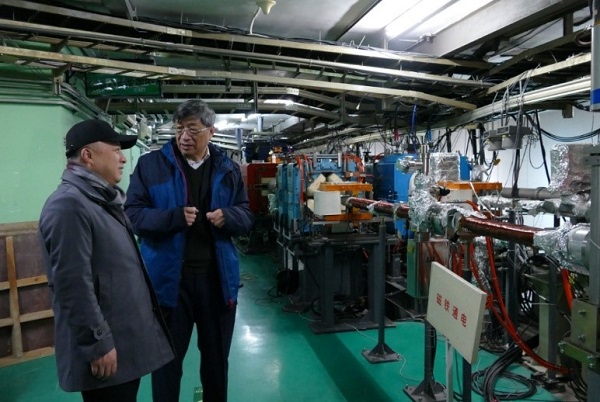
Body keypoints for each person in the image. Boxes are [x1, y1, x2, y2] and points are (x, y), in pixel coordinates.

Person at [124, 100, 254, 402]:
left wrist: (229, 216)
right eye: (179, 128)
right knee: (166, 365)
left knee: (216, 362)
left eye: (193, 129)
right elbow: (133, 216)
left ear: (211, 131)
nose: (184, 136)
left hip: (216, 282)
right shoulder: (151, 166)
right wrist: (173, 217)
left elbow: (246, 215)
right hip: (169, 284)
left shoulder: (227, 168)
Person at [39, 119, 175, 402]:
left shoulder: (100, 200)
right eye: (115, 150)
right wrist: (97, 343)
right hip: (106, 349)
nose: (123, 158)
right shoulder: (69, 205)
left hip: (122, 343)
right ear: (88, 155)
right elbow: (72, 285)